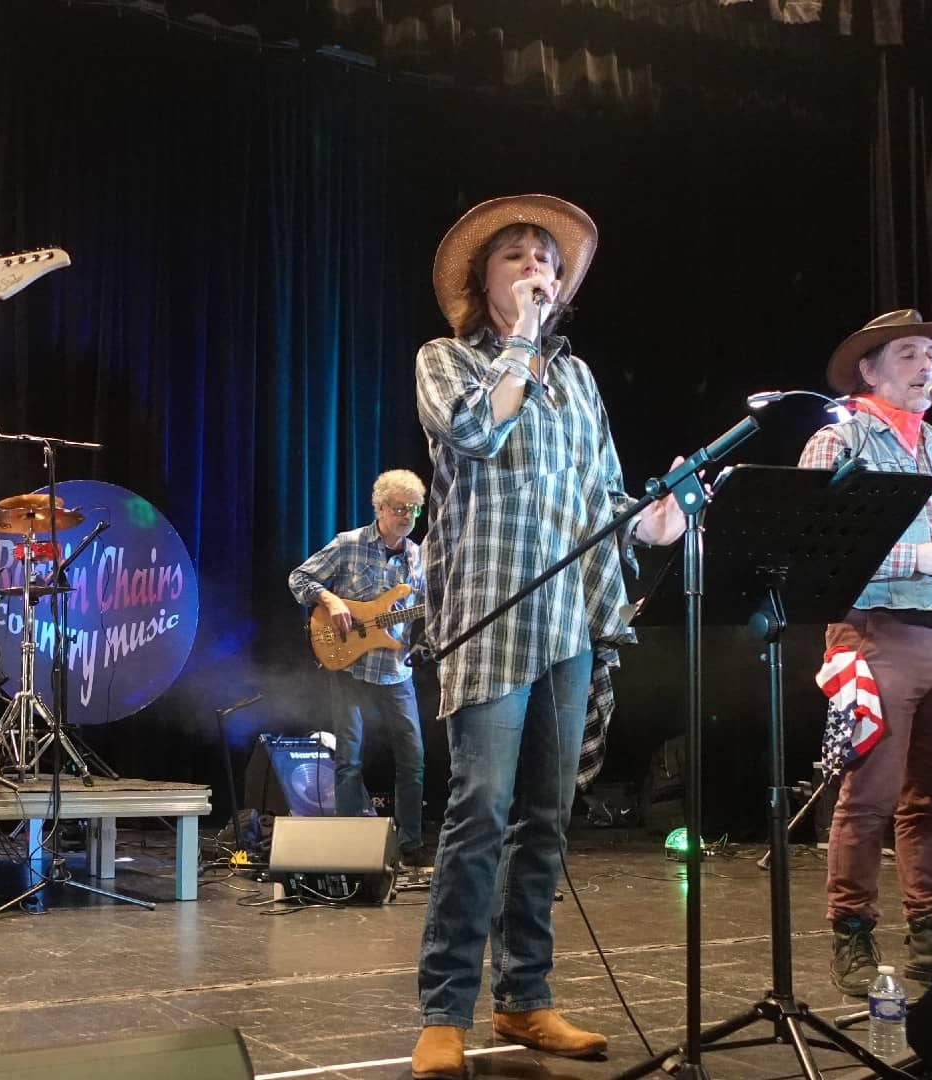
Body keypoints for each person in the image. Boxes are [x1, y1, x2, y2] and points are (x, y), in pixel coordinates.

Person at [407, 195, 684, 1079]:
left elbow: (604, 496)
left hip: (571, 617)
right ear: (482, 281)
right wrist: (522, 344)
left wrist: (656, 522)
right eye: (518, 259)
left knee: (546, 818)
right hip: (491, 614)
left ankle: (524, 997)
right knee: (479, 810)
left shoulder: (581, 379)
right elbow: (475, 433)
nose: (538, 272)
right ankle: (444, 1008)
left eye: (548, 263)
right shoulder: (447, 359)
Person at [799, 309, 932, 997]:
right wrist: (920, 554)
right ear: (871, 369)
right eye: (911, 354)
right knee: (868, 797)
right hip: (872, 632)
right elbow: (822, 549)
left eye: (931, 356)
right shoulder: (839, 441)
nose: (928, 366)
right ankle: (851, 930)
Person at [287, 468, 432, 866]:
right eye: (400, 508)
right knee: (349, 757)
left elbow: (421, 611)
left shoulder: (418, 555)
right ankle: (351, 843)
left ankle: (410, 844)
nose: (407, 516)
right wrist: (331, 602)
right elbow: (299, 578)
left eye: (414, 510)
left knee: (413, 758)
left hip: (395, 667)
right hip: (348, 664)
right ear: (381, 507)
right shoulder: (348, 544)